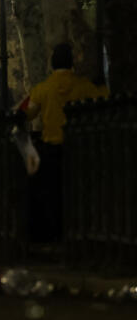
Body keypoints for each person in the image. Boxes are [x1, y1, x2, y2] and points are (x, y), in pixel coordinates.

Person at [17, 43, 108, 243]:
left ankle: (55, 234)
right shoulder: (84, 86)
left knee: (53, 193)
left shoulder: (43, 89)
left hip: (51, 148)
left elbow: (28, 113)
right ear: (71, 63)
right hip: (79, 149)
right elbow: (105, 98)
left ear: (52, 64)